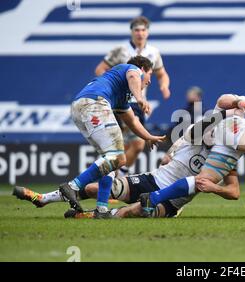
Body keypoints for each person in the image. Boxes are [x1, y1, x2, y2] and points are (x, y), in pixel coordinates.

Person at [13, 137, 239, 219]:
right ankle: (42, 198)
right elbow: (167, 157)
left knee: (135, 211)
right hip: (151, 180)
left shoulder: (225, 159)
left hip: (171, 202)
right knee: (93, 189)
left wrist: (214, 188)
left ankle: (90, 216)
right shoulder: (192, 136)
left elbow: (234, 192)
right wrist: (169, 157)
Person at [58, 56, 165, 218]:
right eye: (150, 74)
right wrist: (140, 98)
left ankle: (101, 209)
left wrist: (148, 136)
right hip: (95, 104)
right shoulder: (132, 69)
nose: (150, 81)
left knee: (109, 161)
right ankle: (73, 186)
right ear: (143, 69)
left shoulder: (121, 95)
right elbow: (133, 76)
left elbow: (132, 121)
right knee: (118, 157)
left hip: (79, 108)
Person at [95, 16, 171, 176]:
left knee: (136, 145)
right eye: (136, 30)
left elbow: (162, 74)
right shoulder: (120, 50)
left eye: (143, 30)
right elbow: (100, 69)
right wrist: (110, 87)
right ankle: (110, 181)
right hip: (119, 101)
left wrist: (164, 86)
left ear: (147, 32)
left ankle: (116, 178)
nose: (140, 33)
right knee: (122, 144)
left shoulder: (154, 52)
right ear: (131, 32)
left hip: (137, 103)